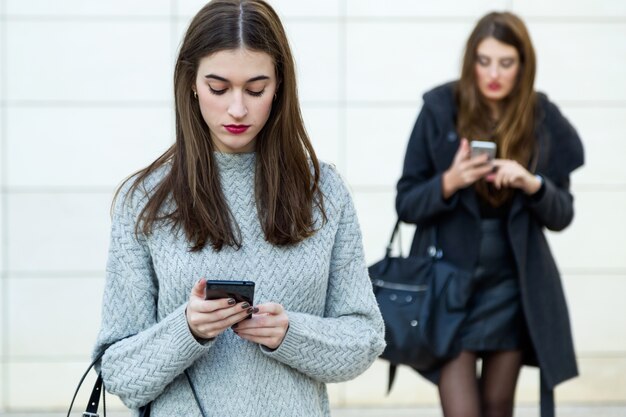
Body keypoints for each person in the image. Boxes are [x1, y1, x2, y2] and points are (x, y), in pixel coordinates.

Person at [92, 1, 385, 416]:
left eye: (255, 89)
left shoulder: (324, 191)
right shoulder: (145, 200)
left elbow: (364, 339)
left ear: (279, 85)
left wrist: (289, 333)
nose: (237, 109)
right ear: (191, 83)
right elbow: (118, 371)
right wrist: (188, 329)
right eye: (218, 87)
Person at [396, 11, 583, 417]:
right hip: (450, 285)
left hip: (512, 284)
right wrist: (450, 180)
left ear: (523, 64)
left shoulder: (539, 115)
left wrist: (530, 183)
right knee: (462, 411)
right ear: (471, 61)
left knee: (498, 407)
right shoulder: (440, 107)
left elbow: (563, 215)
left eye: (505, 62)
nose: (493, 73)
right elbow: (406, 203)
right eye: (484, 61)